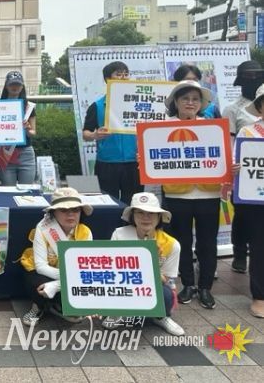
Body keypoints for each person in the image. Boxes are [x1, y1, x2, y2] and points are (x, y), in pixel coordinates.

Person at [162, 80, 219, 309]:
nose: (190, 103)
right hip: (176, 194)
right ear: (176, 102)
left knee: (208, 243)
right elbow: (154, 156)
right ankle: (187, 284)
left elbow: (222, 155)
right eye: (185, 98)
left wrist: (231, 166)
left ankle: (205, 287)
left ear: (201, 103)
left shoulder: (213, 127)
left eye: (195, 99)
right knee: (181, 242)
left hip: (209, 193)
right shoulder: (161, 128)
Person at [106, 192, 184, 336]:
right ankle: (119, 312)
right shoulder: (119, 235)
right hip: (124, 282)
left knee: (166, 295)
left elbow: (165, 279)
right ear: (132, 216)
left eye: (151, 213)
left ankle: (161, 317)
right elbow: (112, 271)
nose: (145, 217)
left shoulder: (172, 244)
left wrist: (150, 263)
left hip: (152, 285)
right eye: (140, 212)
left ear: (159, 217)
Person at [19, 187, 92, 324]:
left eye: (76, 210)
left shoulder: (85, 232)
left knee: (79, 304)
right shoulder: (43, 227)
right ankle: (38, 306)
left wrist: (57, 286)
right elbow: (40, 266)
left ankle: (56, 305)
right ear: (53, 213)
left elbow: (84, 269)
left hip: (67, 276)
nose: (70, 214)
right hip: (45, 273)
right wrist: (67, 280)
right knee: (37, 284)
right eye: (63, 210)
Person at [223, 60, 264, 274]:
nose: (253, 80)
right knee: (242, 218)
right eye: (248, 77)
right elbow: (229, 142)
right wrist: (232, 167)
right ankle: (239, 253)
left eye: (257, 76)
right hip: (244, 177)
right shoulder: (232, 109)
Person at [82, 61, 142, 204]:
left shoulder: (139, 104)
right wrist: (95, 135)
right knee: (107, 203)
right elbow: (85, 134)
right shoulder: (97, 106)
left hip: (134, 162)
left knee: (133, 204)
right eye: (118, 74)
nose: (123, 77)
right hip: (107, 163)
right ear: (107, 79)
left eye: (126, 74)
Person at [233, 83, 264, 317]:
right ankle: (260, 296)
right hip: (256, 201)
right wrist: (235, 168)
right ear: (260, 107)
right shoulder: (248, 132)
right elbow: (237, 160)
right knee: (260, 247)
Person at [0, 71, 36, 185]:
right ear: (6, 86)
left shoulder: (28, 107)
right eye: (12, 84)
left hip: (26, 153)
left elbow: (33, 133)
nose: (15, 87)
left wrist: (27, 128)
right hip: (6, 152)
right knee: (9, 191)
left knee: (26, 190)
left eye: (18, 84)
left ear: (22, 86)